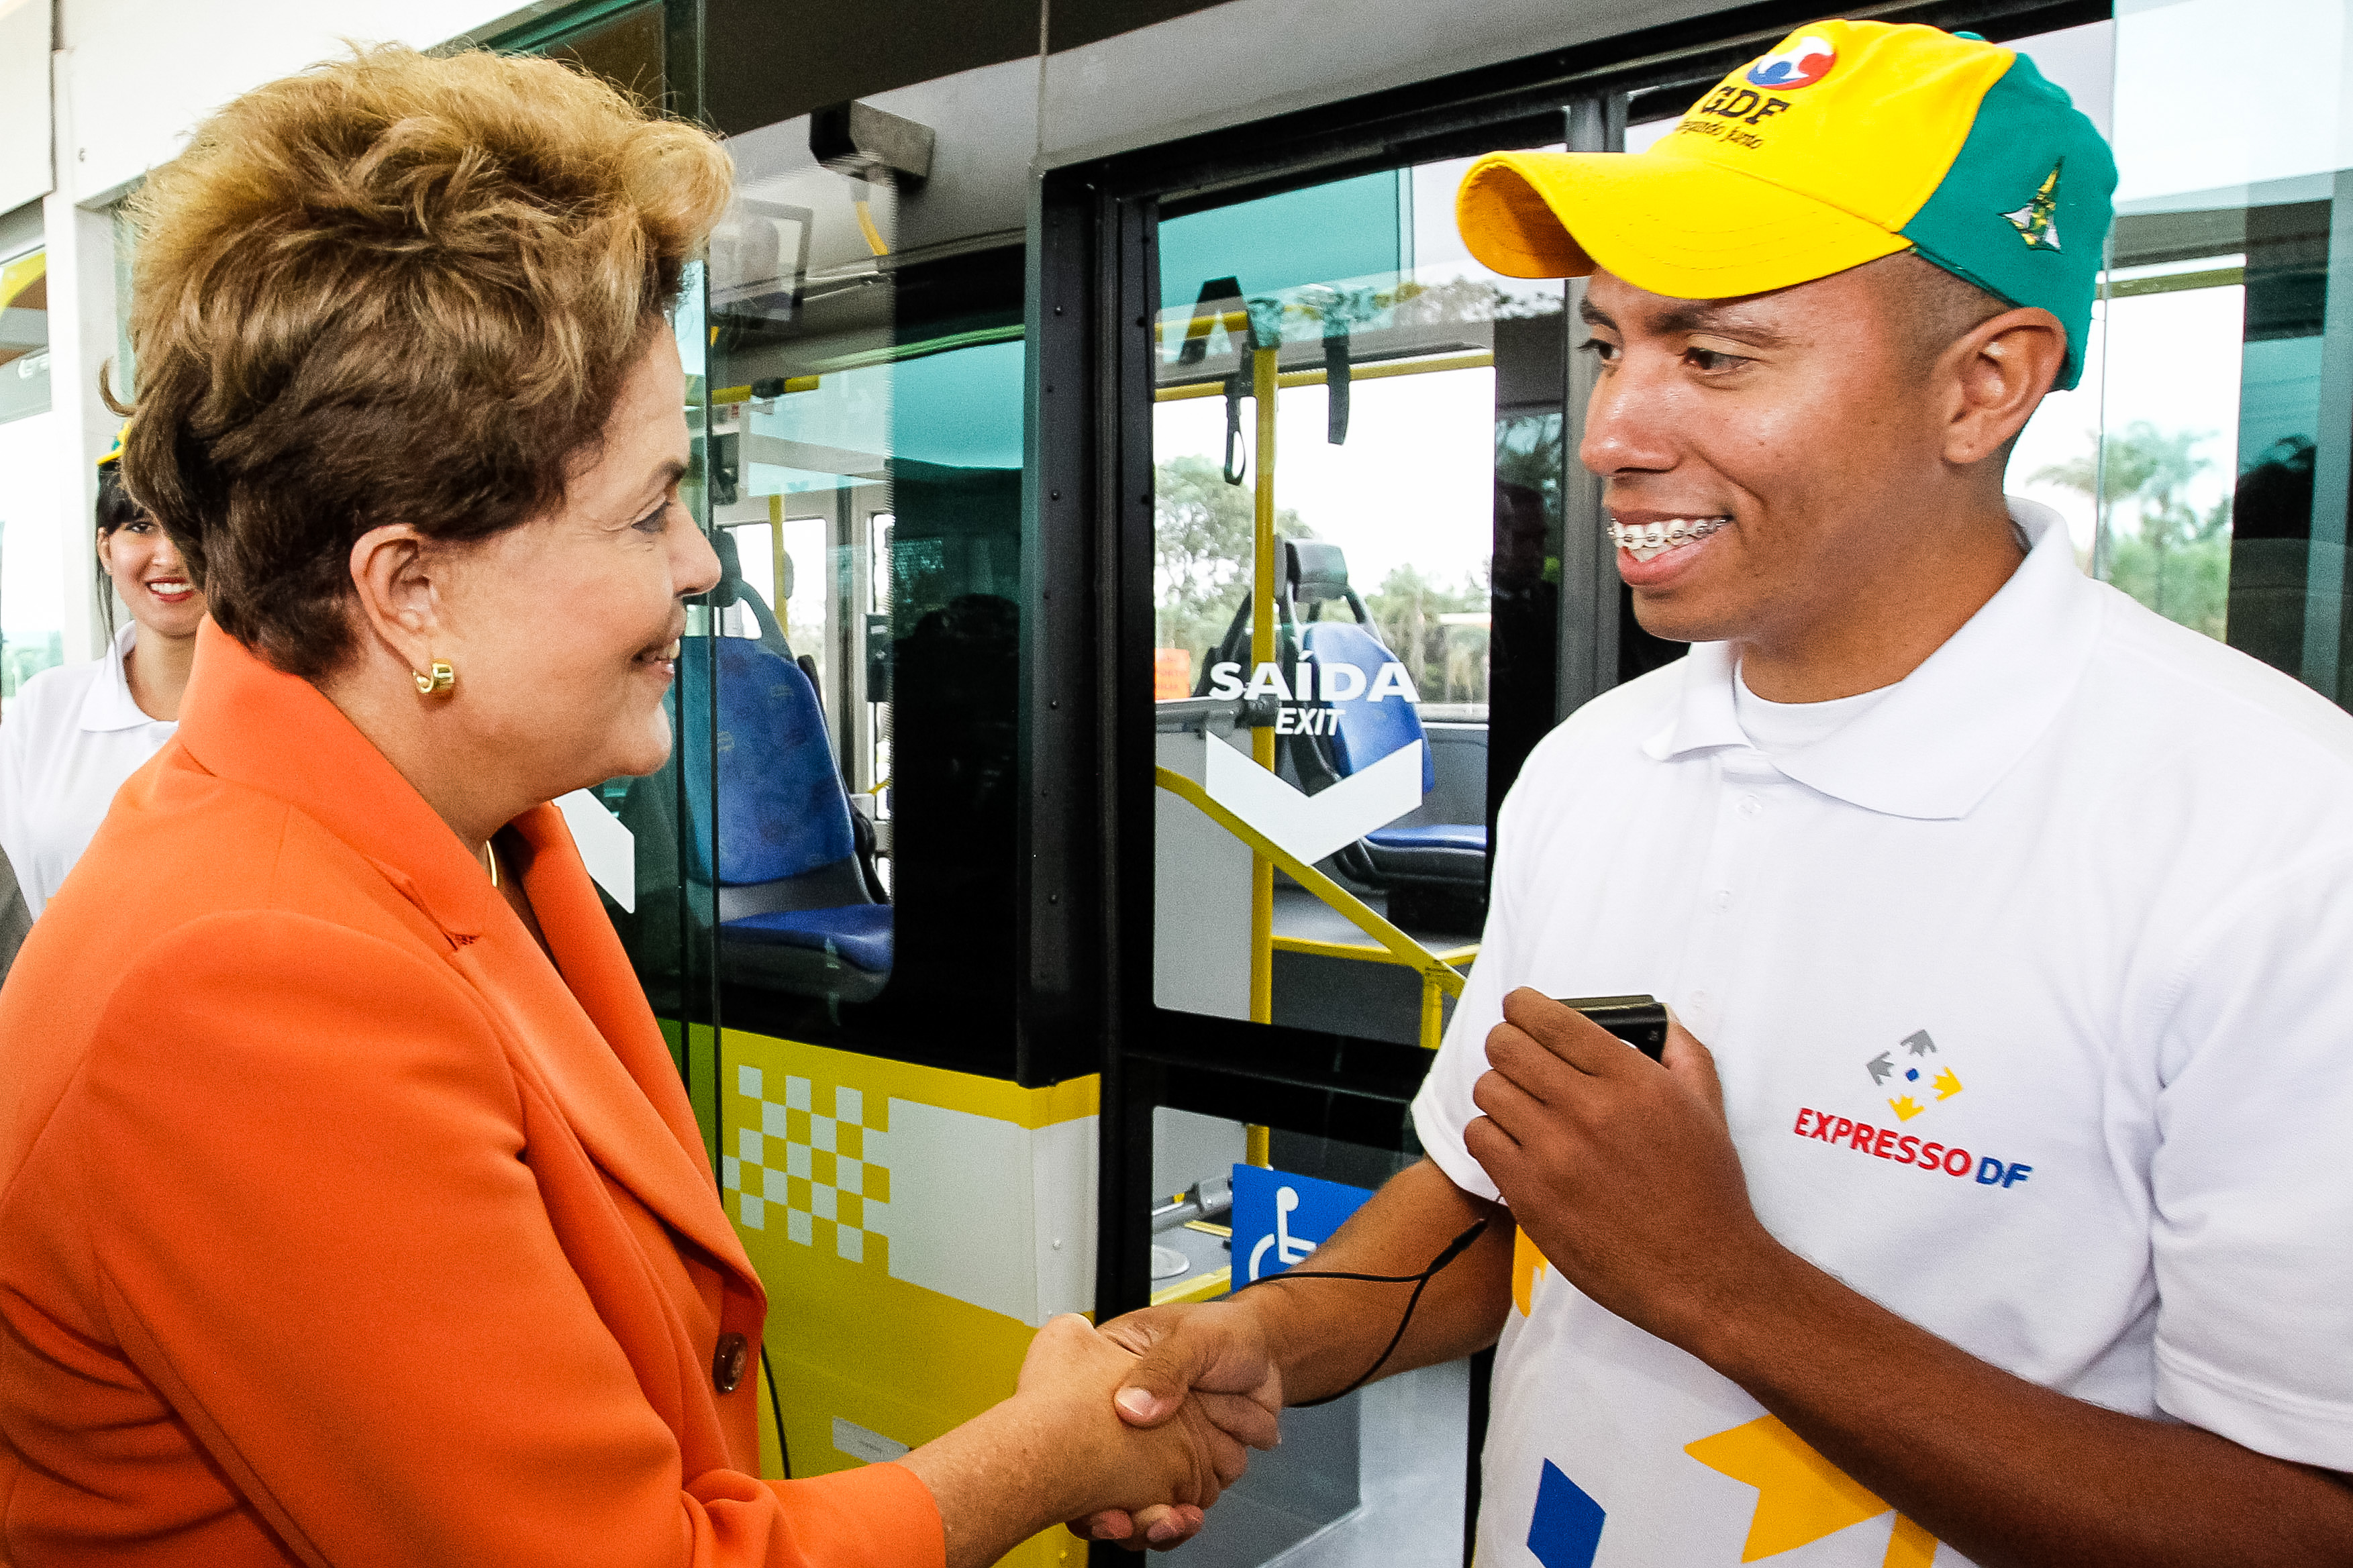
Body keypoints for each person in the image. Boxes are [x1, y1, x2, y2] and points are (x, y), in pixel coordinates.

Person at [1087, 21, 2353, 1565]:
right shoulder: (1596, 767)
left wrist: (1718, 1278)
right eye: (1611, 341)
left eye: (1712, 351)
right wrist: (1262, 1335)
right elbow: (1499, 1205)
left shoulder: (2277, 841)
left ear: (1981, 387)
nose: (1611, 430)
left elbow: (2296, 1519)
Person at [0, 46, 1258, 1568]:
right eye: (650, 505)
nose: (701, 566)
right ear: (411, 588)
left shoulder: (469, 842)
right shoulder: (239, 986)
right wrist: (1046, 1447)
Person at [0, 441, 206, 918]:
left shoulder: (290, 708)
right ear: (105, 548)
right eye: (140, 526)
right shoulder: (44, 708)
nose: (170, 556)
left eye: (191, 526)